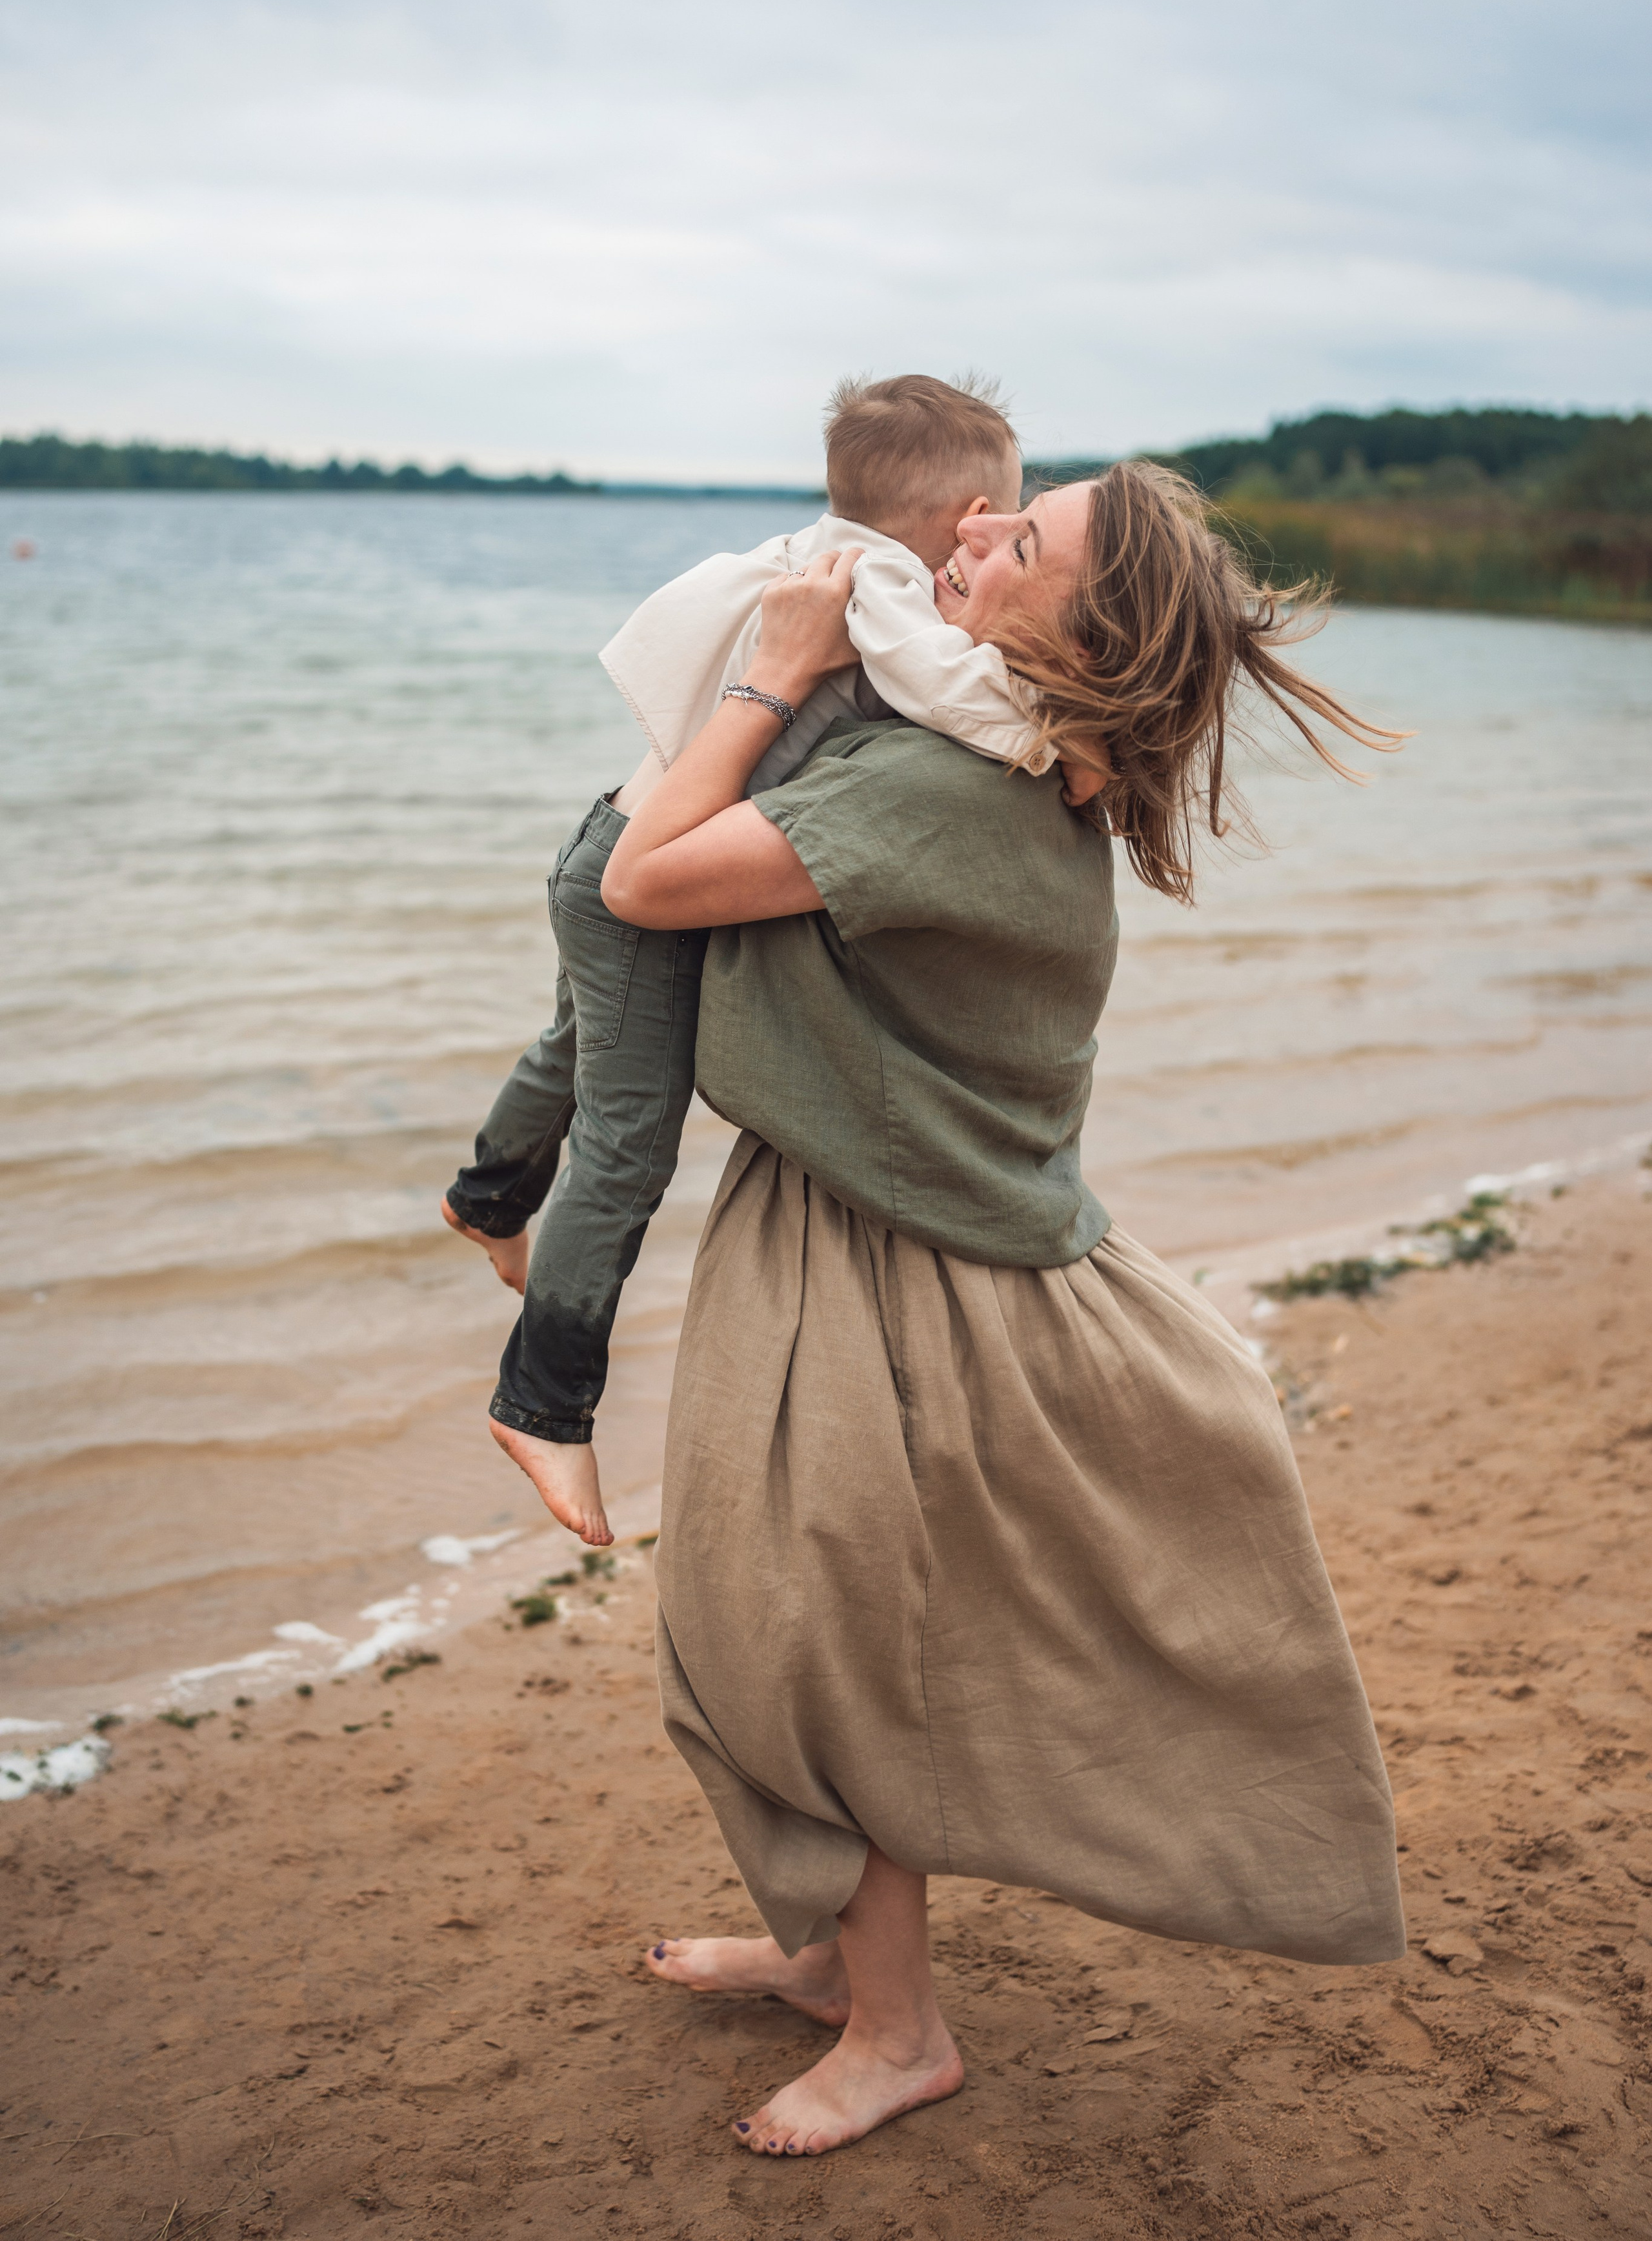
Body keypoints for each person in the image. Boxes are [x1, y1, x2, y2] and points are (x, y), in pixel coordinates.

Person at [550, 459, 1409, 2160]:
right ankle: (828, 1964)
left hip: (886, 1276)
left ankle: (897, 2033)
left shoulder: (952, 796)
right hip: (857, 1235)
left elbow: (642, 880)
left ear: (1075, 626)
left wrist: (765, 673)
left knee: (806, 1655)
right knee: (801, 1632)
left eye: (1021, 540)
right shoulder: (1002, 763)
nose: (967, 534)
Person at [442, 376, 1101, 1545]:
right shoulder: (876, 588)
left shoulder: (812, 549)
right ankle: (542, 1403)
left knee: (579, 1045)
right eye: (997, 511)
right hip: (634, 883)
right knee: (629, 1133)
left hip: (607, 837)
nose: (993, 531)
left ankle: (489, 1195)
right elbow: (951, 693)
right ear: (957, 512)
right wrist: (1060, 737)